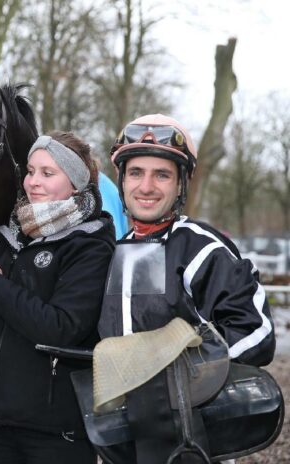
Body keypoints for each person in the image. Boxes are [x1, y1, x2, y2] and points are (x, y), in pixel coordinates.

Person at [97, 114, 275, 462]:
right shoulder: (111, 250)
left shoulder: (202, 247)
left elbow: (257, 333)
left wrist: (179, 374)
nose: (146, 187)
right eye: (136, 173)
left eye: (161, 174)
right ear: (121, 181)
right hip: (125, 440)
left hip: (194, 440)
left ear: (180, 184)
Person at [0, 131, 115, 463]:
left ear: (76, 184)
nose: (33, 182)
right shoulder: (10, 235)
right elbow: (0, 324)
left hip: (55, 433)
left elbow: (61, 327)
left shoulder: (90, 244)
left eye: (48, 173)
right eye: (31, 171)